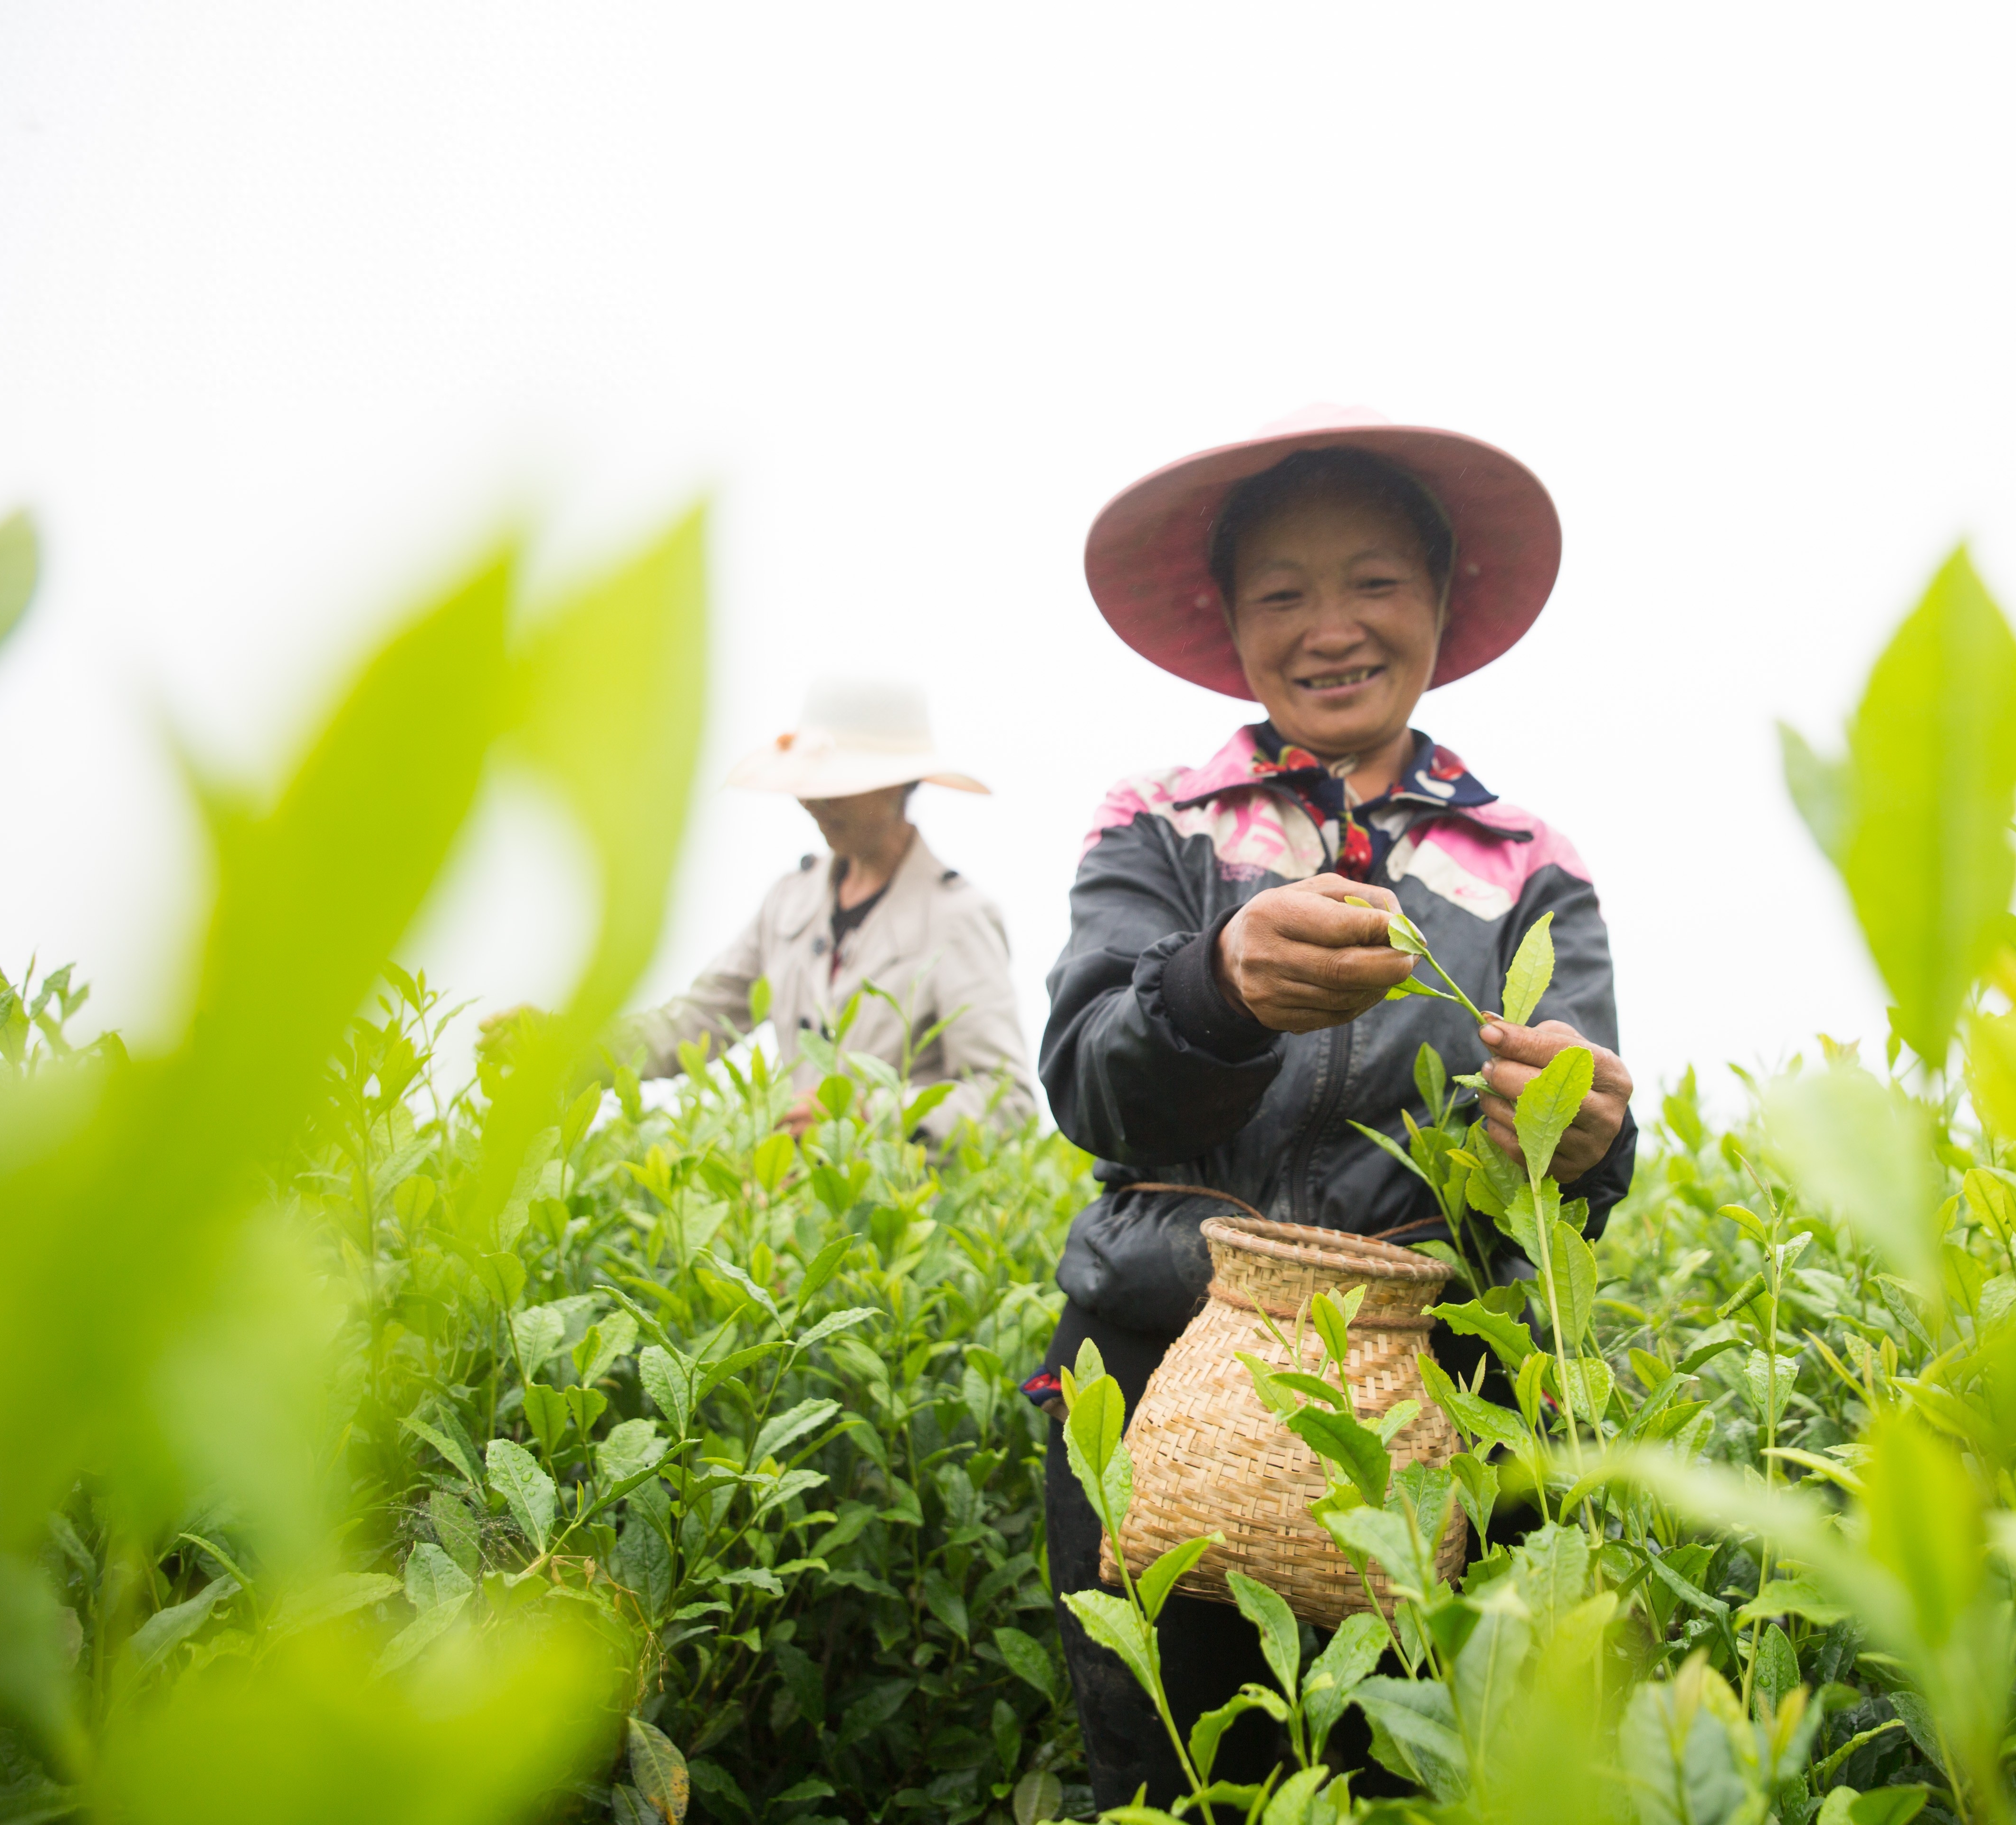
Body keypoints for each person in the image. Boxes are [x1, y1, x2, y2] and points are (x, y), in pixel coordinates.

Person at [1033, 406, 1637, 1803]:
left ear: (1439, 600)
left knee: (1416, 1768)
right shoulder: (1162, 826)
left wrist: (1576, 1134)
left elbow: (1587, 1172)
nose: (1331, 627)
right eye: (1283, 593)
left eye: (1372, 582)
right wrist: (1216, 985)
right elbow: (1085, 1079)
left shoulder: (1525, 863)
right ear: (1233, 623)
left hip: (1434, 1396)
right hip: (1157, 1370)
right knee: (1167, 1767)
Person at [623, 679, 1034, 1144]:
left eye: (838, 785)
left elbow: (1008, 1101)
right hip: (793, 1204)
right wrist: (570, 1050)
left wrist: (866, 1116)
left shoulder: (956, 916)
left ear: (900, 783)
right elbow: (695, 1025)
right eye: (811, 784)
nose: (815, 803)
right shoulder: (789, 903)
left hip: (903, 1207)